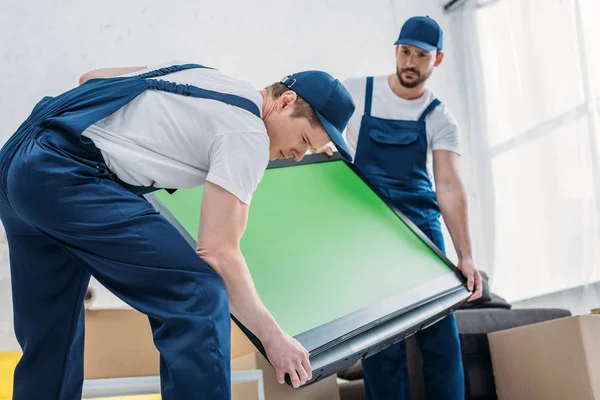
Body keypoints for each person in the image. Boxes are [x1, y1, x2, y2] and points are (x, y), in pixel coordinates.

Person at [0, 62, 355, 400]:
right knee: (199, 295)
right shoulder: (247, 133)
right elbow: (218, 251)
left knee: (52, 339)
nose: (298, 155)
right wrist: (272, 338)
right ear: (286, 101)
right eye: (304, 139)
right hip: (65, 177)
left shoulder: (204, 76)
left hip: (21, 166)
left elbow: (90, 78)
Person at [318, 16, 483, 400]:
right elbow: (320, 138)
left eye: (420, 55)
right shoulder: (357, 92)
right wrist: (327, 148)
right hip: (370, 229)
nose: (410, 62)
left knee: (440, 337)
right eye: (405, 51)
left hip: (422, 231)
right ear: (396, 51)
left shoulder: (441, 117)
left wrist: (466, 256)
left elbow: (449, 186)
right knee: (381, 341)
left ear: (436, 60)